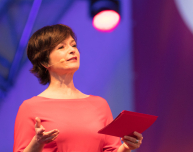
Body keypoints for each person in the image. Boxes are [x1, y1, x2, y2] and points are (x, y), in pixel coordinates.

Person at [13, 24, 143, 152]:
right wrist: (37, 142)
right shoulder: (30, 108)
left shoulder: (100, 105)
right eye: (61, 47)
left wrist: (126, 147)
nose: (72, 50)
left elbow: (112, 150)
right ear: (45, 62)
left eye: (73, 45)